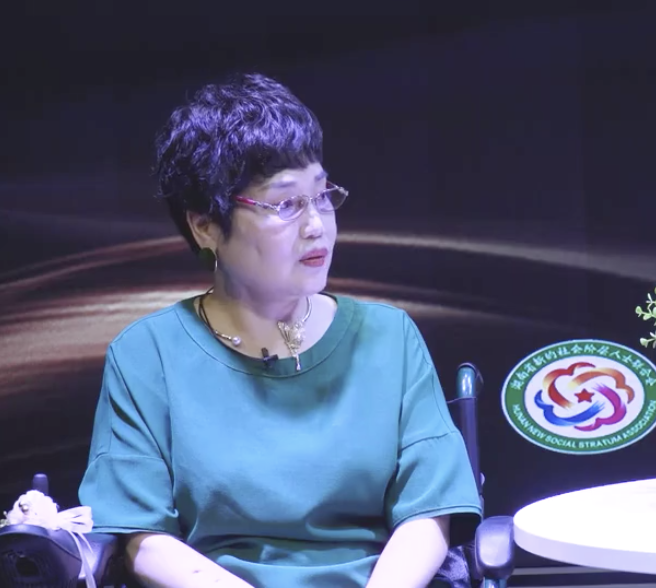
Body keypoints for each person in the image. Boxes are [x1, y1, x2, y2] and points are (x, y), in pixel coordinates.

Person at [77, 72, 482, 588]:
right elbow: (142, 540)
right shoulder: (146, 354)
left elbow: (429, 515)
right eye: (286, 204)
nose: (317, 225)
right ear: (205, 225)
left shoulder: (389, 337)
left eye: (322, 194)